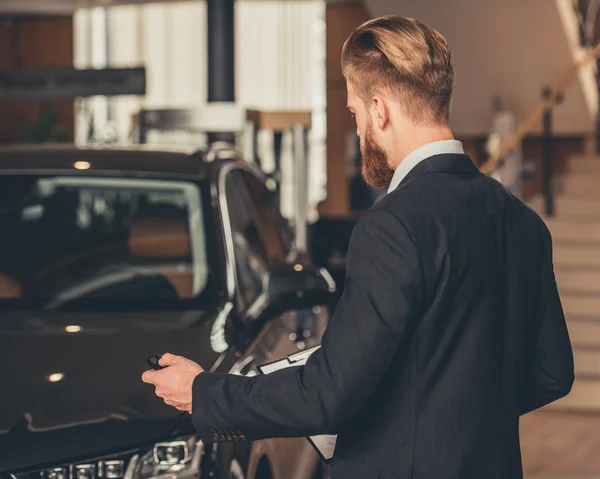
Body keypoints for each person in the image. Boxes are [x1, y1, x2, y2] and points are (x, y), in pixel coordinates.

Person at [142, 16, 574, 478]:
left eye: (354, 112)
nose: (359, 125)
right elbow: (552, 373)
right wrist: (453, 417)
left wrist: (202, 393)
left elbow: (330, 393)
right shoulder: (524, 222)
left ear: (379, 108)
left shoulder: (392, 225)